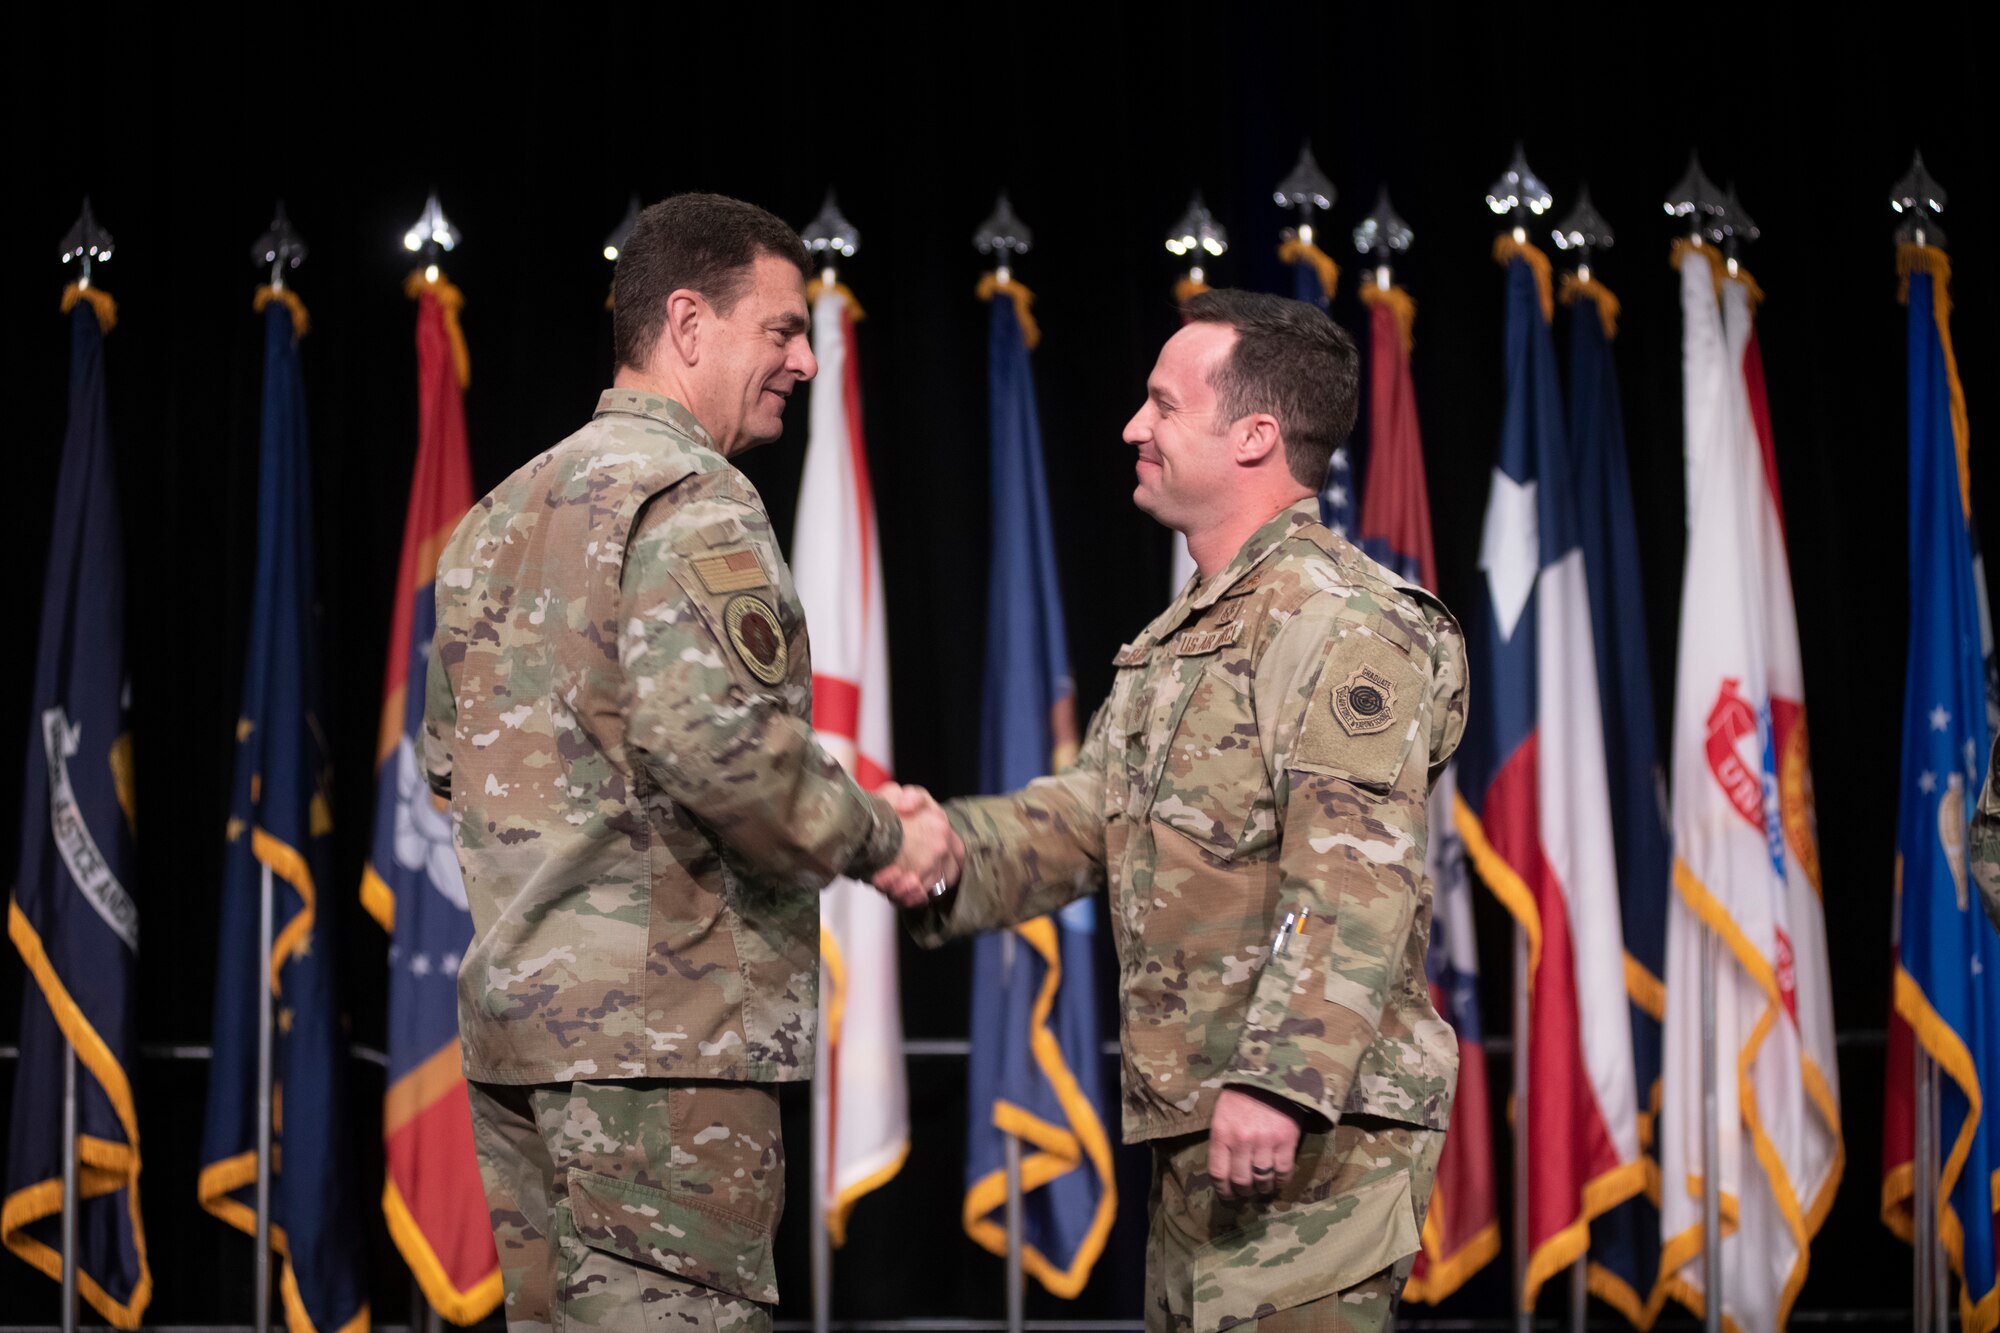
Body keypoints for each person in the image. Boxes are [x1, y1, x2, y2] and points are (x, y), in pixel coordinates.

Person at [881, 290, 1467, 1333]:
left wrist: (1280, 1083)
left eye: (1161, 405)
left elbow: (1349, 874)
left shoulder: (1343, 620)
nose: (1131, 428)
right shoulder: (1179, 642)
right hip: (1203, 1129)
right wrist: (924, 847)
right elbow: (1080, 821)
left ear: (1254, 437)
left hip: (1304, 1142)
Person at [423, 192, 957, 1333]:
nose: (805, 360)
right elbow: (722, 752)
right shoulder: (694, 499)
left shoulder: (493, 522)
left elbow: (446, 772)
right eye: (781, 329)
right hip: (662, 1060)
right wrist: (886, 836)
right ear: (687, 322)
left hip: (527, 1041)